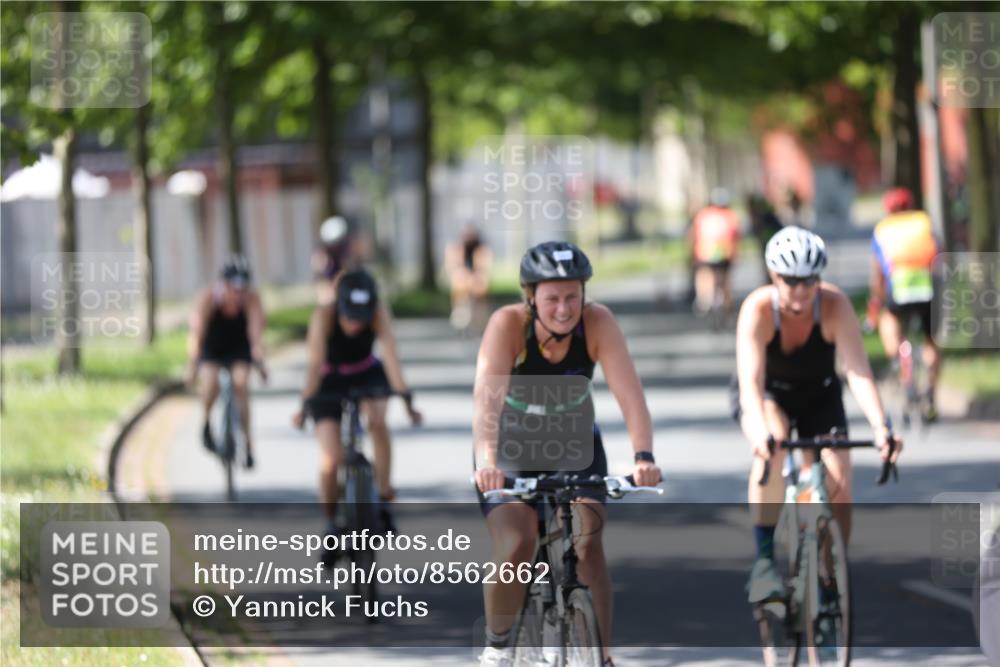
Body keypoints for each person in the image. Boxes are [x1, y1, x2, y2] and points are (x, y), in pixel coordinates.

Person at [473, 241, 662, 667]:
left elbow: (630, 396)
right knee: (516, 540)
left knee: (587, 542)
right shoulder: (507, 326)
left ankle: (601, 655)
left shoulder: (598, 323)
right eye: (552, 298)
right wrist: (487, 462)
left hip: (573, 444)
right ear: (531, 297)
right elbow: (486, 404)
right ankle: (498, 645)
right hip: (509, 445)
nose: (563, 308)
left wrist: (643, 456)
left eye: (572, 296)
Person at [732, 226, 902, 603]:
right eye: (791, 281)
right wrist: (759, 432)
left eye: (809, 280)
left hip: (819, 395)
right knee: (772, 449)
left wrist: (880, 426)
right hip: (769, 396)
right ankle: (763, 562)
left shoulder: (834, 305)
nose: (801, 290)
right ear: (774, 277)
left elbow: (858, 371)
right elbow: (751, 381)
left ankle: (831, 571)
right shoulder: (758, 309)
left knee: (840, 476)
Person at [292, 268, 422, 532]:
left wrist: (407, 401)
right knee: (331, 460)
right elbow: (315, 364)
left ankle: (383, 493)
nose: (355, 324)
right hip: (328, 378)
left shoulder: (379, 313)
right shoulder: (323, 317)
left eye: (361, 318)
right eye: (349, 316)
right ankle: (330, 520)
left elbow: (392, 359)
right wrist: (304, 406)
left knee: (378, 423)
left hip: (366, 372)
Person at [185, 255, 268, 469]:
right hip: (213, 347)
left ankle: (248, 445)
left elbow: (255, 334)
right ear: (224, 283)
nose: (237, 293)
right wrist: (192, 366)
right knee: (210, 382)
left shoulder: (251, 300)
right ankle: (206, 423)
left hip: (239, 347)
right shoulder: (209, 299)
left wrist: (260, 363)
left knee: (241, 383)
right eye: (233, 287)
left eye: (242, 288)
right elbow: (197, 334)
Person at [868, 187, 941, 421]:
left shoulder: (883, 230)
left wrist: (876, 303)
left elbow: (878, 274)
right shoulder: (924, 223)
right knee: (932, 341)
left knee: (890, 324)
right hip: (928, 290)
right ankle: (930, 390)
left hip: (898, 292)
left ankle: (901, 356)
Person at [689, 187, 742, 317]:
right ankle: (728, 303)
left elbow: (694, 235)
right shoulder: (731, 216)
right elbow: (736, 236)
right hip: (725, 254)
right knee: (725, 279)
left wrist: (692, 252)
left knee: (704, 274)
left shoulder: (703, 214)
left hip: (705, 253)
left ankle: (703, 300)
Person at [445, 224, 493, 332]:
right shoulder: (456, 248)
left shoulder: (482, 249)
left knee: (480, 284)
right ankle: (461, 311)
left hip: (477, 279)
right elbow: (453, 266)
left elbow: (484, 267)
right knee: (459, 280)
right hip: (463, 278)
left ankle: (479, 316)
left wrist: (475, 278)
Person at [312, 215, 368, 305]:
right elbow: (322, 283)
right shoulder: (322, 256)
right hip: (331, 296)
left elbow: (352, 272)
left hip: (348, 293)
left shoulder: (347, 253)